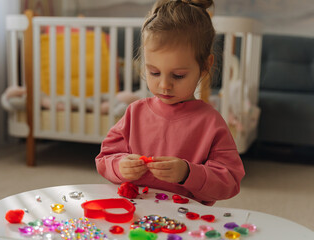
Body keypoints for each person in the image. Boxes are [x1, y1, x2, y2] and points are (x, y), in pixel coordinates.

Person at [95, 0, 245, 206]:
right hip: (136, 212)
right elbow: (104, 158)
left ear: (204, 66)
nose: (164, 85)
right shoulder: (135, 112)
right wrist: (119, 166)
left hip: (186, 221)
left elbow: (230, 182)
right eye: (154, 72)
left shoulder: (211, 122)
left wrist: (187, 173)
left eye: (178, 75)